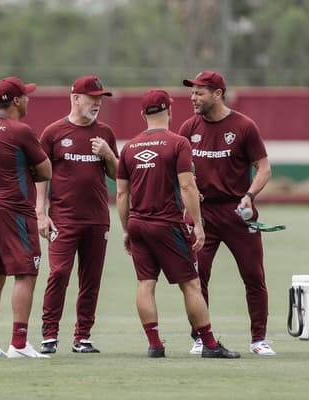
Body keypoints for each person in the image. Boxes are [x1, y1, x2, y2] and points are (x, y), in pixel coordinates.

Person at [116, 88, 240, 359]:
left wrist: (126, 228)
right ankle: (208, 344)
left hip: (137, 223)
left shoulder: (129, 147)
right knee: (191, 285)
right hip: (167, 224)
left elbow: (122, 194)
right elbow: (187, 186)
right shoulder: (178, 143)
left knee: (145, 284)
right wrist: (198, 224)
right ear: (170, 112)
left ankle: (154, 344)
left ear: (142, 114)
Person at [179, 71, 276, 356]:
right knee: (196, 278)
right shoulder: (188, 128)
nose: (193, 98)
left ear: (217, 94)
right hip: (202, 215)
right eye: (192, 92)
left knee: (253, 276)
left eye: (199, 93)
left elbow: (264, 167)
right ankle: (200, 338)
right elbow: (178, 171)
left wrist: (249, 196)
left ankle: (258, 339)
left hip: (236, 211)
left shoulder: (244, 126)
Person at [35, 75, 118, 354]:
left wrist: (107, 154)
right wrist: (40, 213)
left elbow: (117, 175)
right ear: (75, 99)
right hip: (63, 218)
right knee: (58, 273)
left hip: (97, 218)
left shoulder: (105, 133)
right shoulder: (53, 133)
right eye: (92, 98)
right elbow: (39, 175)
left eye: (100, 99)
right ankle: (49, 334)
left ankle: (82, 336)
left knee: (91, 279)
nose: (97, 104)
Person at [0, 76, 52, 359]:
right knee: (26, 273)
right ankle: (19, 344)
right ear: (17, 101)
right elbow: (46, 171)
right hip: (15, 210)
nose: (29, 99)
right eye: (26, 95)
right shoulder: (20, 130)